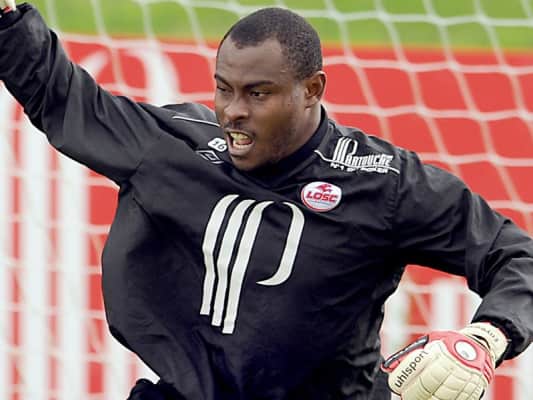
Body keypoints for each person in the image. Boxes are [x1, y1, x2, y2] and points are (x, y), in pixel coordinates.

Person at [0, 2, 531, 399]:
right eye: (223, 88)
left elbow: (515, 255)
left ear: (312, 89)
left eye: (258, 93)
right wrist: (8, 18)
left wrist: (486, 338)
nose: (233, 110)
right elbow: (62, 96)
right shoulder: (175, 145)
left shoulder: (383, 184)